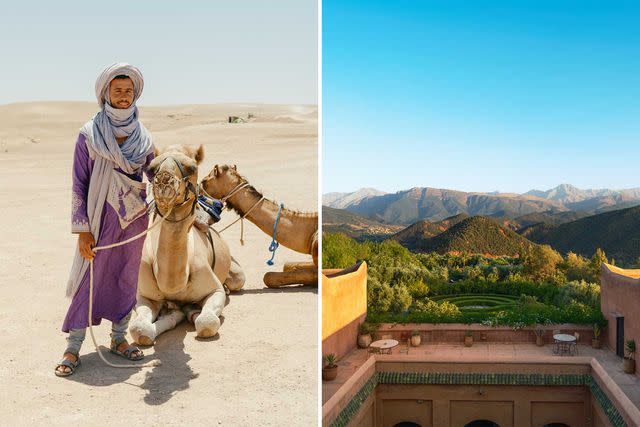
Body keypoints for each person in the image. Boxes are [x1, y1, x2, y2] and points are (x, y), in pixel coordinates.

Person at [55, 63, 155, 377]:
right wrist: (82, 230)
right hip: (99, 221)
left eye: (128, 91)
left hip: (134, 222)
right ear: (106, 94)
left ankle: (118, 339)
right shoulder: (89, 134)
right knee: (91, 278)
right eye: (118, 91)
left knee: (126, 279)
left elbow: (156, 173)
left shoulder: (145, 138)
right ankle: (73, 346)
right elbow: (79, 184)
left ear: (135, 93)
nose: (124, 96)